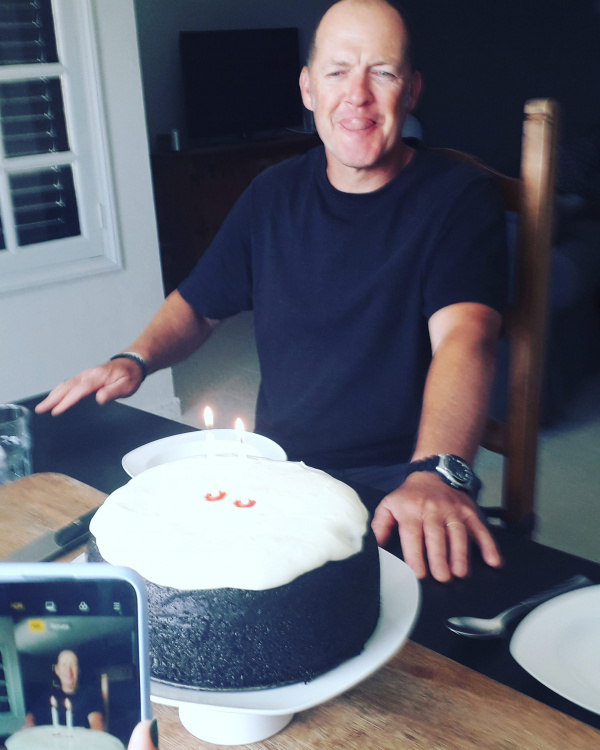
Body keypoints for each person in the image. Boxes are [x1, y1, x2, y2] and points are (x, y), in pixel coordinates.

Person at [36, 0, 507, 583]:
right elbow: (198, 306)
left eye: (382, 73)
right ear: (308, 89)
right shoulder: (272, 193)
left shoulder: (459, 198)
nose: (357, 95)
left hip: (397, 485)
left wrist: (436, 471)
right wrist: (134, 358)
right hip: (279, 475)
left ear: (411, 90)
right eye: (337, 72)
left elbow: (466, 339)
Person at [25, 649, 104, 730]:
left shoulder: (90, 695)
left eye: (73, 665)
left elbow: (97, 725)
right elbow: (31, 717)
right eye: (64, 665)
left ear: (78, 670)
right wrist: (29, 725)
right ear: (57, 670)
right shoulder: (48, 695)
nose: (68, 670)